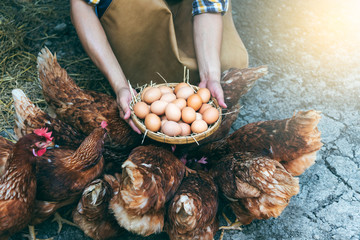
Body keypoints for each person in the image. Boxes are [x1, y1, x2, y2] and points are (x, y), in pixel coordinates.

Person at [70, 0, 248, 133]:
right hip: (135, 8)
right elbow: (81, 4)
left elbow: (208, 5)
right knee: (149, 86)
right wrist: (120, 85)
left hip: (182, 6)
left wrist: (210, 75)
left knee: (228, 64)